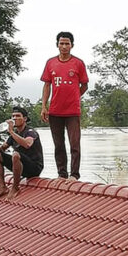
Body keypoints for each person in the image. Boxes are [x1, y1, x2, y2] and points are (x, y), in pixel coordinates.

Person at [40, 31, 89, 181]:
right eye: (61, 43)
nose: (64, 46)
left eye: (67, 43)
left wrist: (74, 96)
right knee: (58, 145)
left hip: (73, 111)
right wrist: (44, 106)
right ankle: (62, 174)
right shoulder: (50, 63)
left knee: (75, 144)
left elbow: (85, 85)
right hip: (55, 110)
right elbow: (47, 86)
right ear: (57, 45)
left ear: (72, 45)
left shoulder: (78, 63)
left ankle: (74, 175)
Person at [0, 106, 44, 201]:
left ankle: (15, 187)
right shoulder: (14, 134)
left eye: (18, 116)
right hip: (20, 164)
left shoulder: (30, 132)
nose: (15, 118)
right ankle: (3, 187)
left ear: (25, 119)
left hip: (34, 167)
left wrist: (11, 132)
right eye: (13, 116)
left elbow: (27, 144)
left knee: (15, 154)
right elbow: (3, 147)